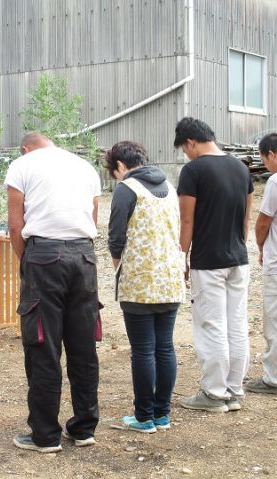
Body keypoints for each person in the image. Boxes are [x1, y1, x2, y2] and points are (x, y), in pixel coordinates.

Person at [5, 132, 102, 453]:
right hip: (84, 256)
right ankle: (84, 428)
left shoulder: (22, 165)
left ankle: (45, 435)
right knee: (83, 346)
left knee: (43, 346)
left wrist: (28, 262)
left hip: (44, 256)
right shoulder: (85, 166)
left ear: (25, 148)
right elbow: (93, 216)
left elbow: (16, 226)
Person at [175, 117, 254, 412]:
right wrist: (237, 247)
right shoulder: (240, 168)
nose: (187, 154)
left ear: (190, 142)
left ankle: (214, 393)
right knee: (236, 322)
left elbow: (186, 221)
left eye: (185, 149)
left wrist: (181, 258)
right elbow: (246, 219)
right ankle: (234, 389)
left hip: (208, 260)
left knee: (211, 324)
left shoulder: (193, 171)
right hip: (238, 258)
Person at [106, 141, 184, 434]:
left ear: (122, 166)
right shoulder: (169, 186)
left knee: (142, 350)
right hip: (170, 278)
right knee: (164, 347)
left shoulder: (127, 189)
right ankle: (162, 414)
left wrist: (118, 267)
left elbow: (116, 236)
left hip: (140, 281)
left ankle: (143, 417)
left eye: (115, 171)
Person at [245, 133, 277, 394]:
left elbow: (264, 221)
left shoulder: (276, 181)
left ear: (272, 155)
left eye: (264, 158)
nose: (265, 164)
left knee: (274, 321)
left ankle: (273, 378)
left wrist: (261, 247)